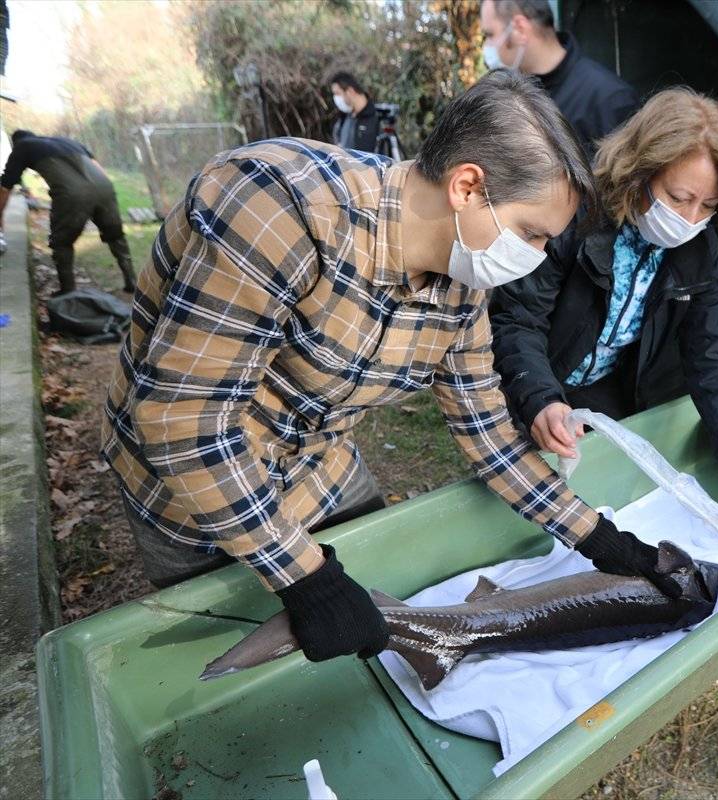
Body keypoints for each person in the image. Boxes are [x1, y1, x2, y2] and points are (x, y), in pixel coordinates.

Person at [102, 72, 680, 669]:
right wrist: (308, 579)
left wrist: (594, 535)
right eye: (531, 235)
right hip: (188, 486)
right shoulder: (279, 207)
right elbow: (183, 420)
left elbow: (489, 435)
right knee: (212, 650)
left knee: (369, 630)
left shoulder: (462, 288)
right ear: (467, 187)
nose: (534, 259)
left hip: (319, 465)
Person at [491, 88, 718, 547]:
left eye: (709, 206)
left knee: (601, 502)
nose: (691, 218)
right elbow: (517, 319)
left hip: (606, 392)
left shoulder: (700, 249)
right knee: (509, 514)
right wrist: (540, 400)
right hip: (531, 375)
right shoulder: (572, 212)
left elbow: (716, 359)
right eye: (678, 197)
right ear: (639, 172)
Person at [479, 0, 638, 150]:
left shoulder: (609, 99)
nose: (487, 46)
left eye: (490, 34)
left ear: (519, 28)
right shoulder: (507, 96)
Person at [0, 130, 137, 293]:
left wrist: (0, 213)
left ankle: (68, 292)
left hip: (72, 193)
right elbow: (98, 168)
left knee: (61, 243)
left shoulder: (22, 146)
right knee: (115, 235)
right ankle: (132, 281)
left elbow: (5, 187)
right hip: (105, 187)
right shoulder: (66, 141)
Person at [329, 70, 380, 153]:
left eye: (337, 93)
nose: (336, 98)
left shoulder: (377, 118)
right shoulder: (343, 117)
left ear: (350, 91)